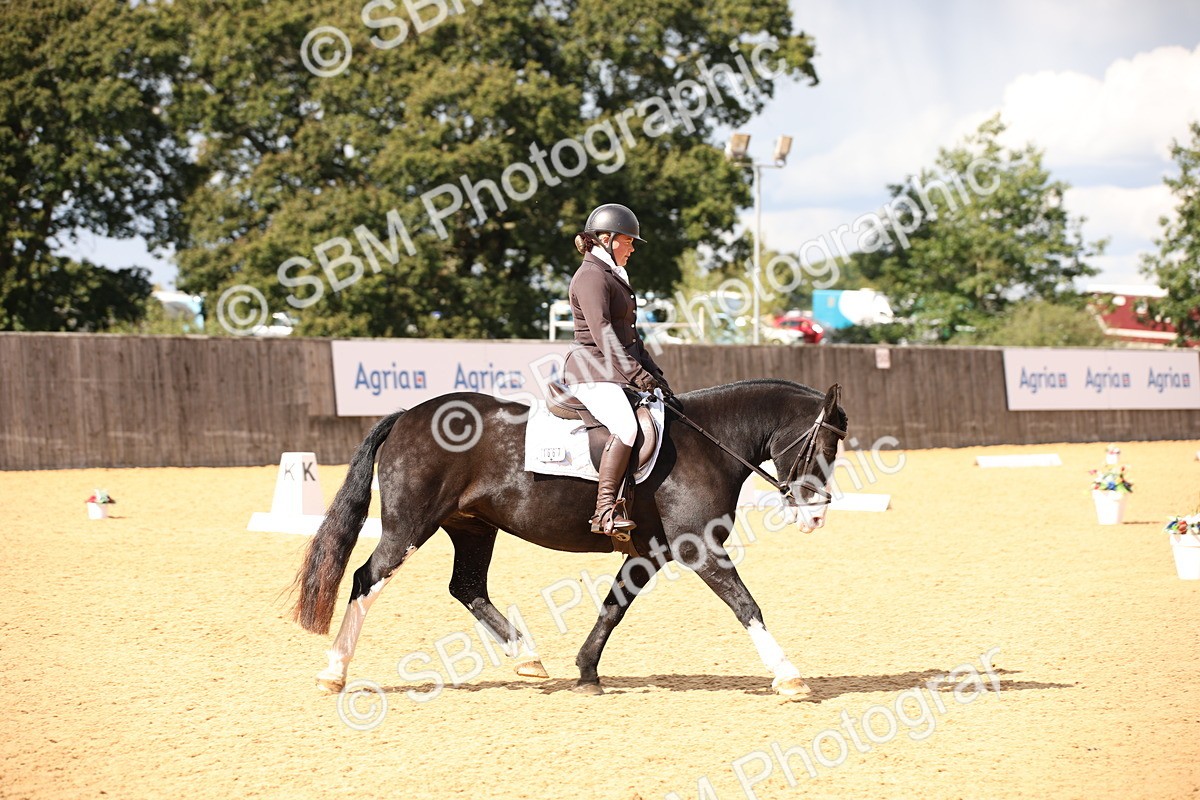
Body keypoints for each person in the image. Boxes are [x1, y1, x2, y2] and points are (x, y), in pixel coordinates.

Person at [562, 203, 673, 537]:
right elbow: (603, 334)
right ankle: (605, 510)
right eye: (629, 240)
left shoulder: (611, 275)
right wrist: (638, 377)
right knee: (625, 427)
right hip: (590, 371)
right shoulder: (591, 276)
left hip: (611, 370)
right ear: (607, 239)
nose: (633, 247)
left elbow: (631, 337)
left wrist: (656, 376)